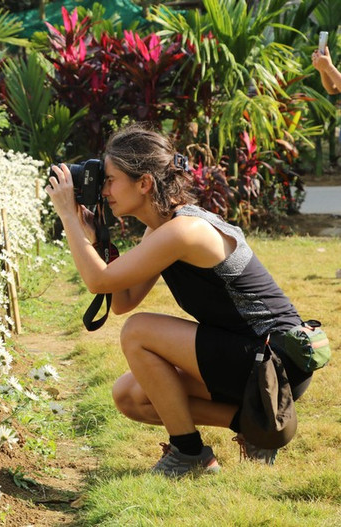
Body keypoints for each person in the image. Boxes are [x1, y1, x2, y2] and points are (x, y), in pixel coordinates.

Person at [45, 123, 312, 477]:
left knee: (138, 332)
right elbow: (123, 299)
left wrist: (67, 216)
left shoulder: (184, 231)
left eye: (109, 179)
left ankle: (188, 454)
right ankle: (254, 425)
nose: (104, 190)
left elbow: (99, 282)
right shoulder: (161, 228)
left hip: (276, 362)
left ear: (144, 183)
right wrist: (94, 240)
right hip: (254, 356)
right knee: (130, 395)